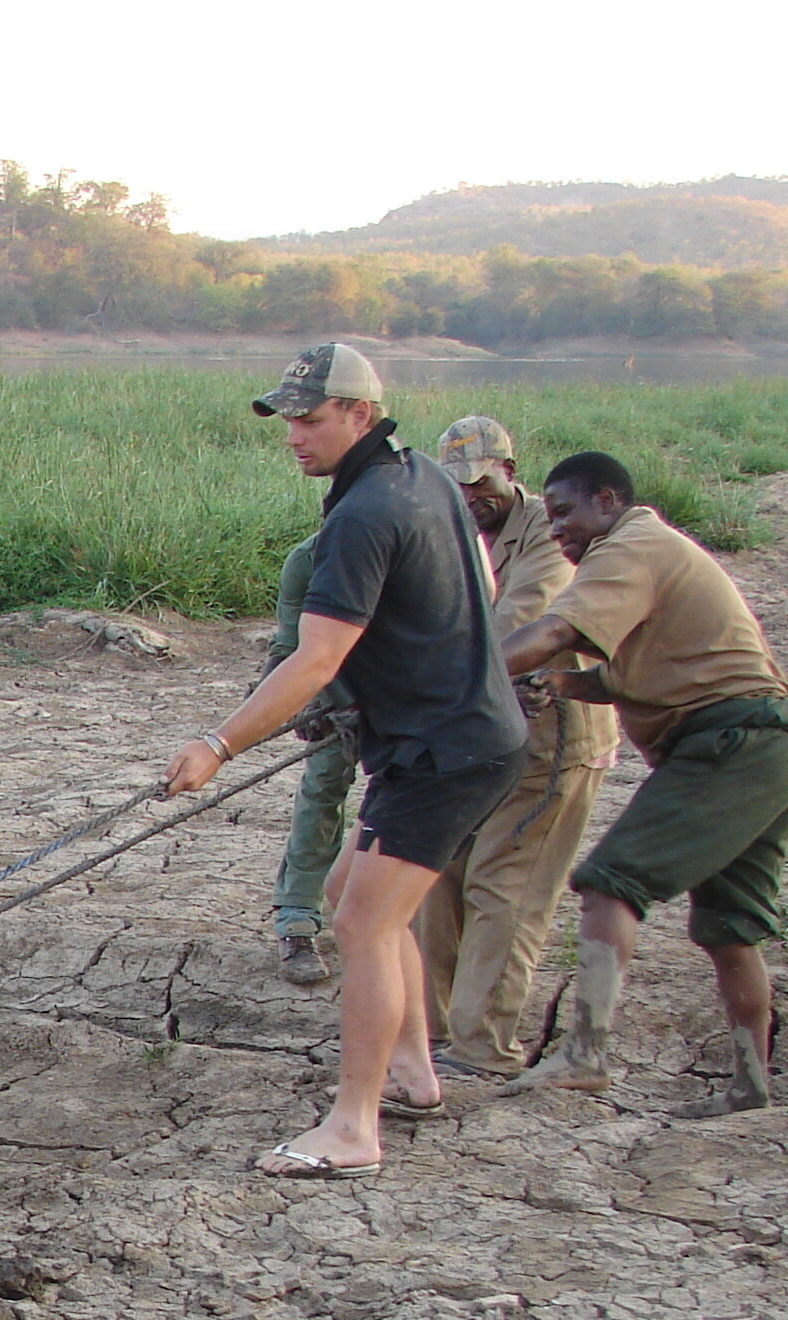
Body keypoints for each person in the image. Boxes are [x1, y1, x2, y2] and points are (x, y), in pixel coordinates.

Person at [161, 343, 526, 1178]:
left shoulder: (364, 514)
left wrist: (217, 746)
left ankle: (355, 1126)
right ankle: (415, 1076)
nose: (294, 434)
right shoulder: (419, 474)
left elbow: (315, 659)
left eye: (311, 418)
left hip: (447, 753)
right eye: (287, 417)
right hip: (455, 738)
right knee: (343, 894)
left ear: (360, 414)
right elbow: (482, 590)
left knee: (364, 923)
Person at [499, 451, 788, 1115]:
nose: (556, 529)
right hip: (777, 749)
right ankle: (750, 1088)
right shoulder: (648, 553)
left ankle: (586, 1051)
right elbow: (625, 673)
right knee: (731, 929)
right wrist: (556, 682)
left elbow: (555, 630)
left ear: (609, 500)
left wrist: (455, 675)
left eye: (566, 512)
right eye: (549, 516)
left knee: (609, 882)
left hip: (735, 745)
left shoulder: (631, 546)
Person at [412, 415, 610, 1076]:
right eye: (458, 485)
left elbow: (515, 628)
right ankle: (428, 1029)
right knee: (436, 873)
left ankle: (482, 1048)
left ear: (510, 472)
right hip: (469, 739)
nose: (471, 496)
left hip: (547, 740)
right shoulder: (452, 533)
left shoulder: (552, 538)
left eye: (481, 483)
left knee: (506, 887)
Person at [263, 531, 356, 987]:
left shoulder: (410, 551)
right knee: (322, 787)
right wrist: (284, 700)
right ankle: (297, 921)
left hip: (407, 697)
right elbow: (288, 644)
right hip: (335, 697)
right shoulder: (307, 561)